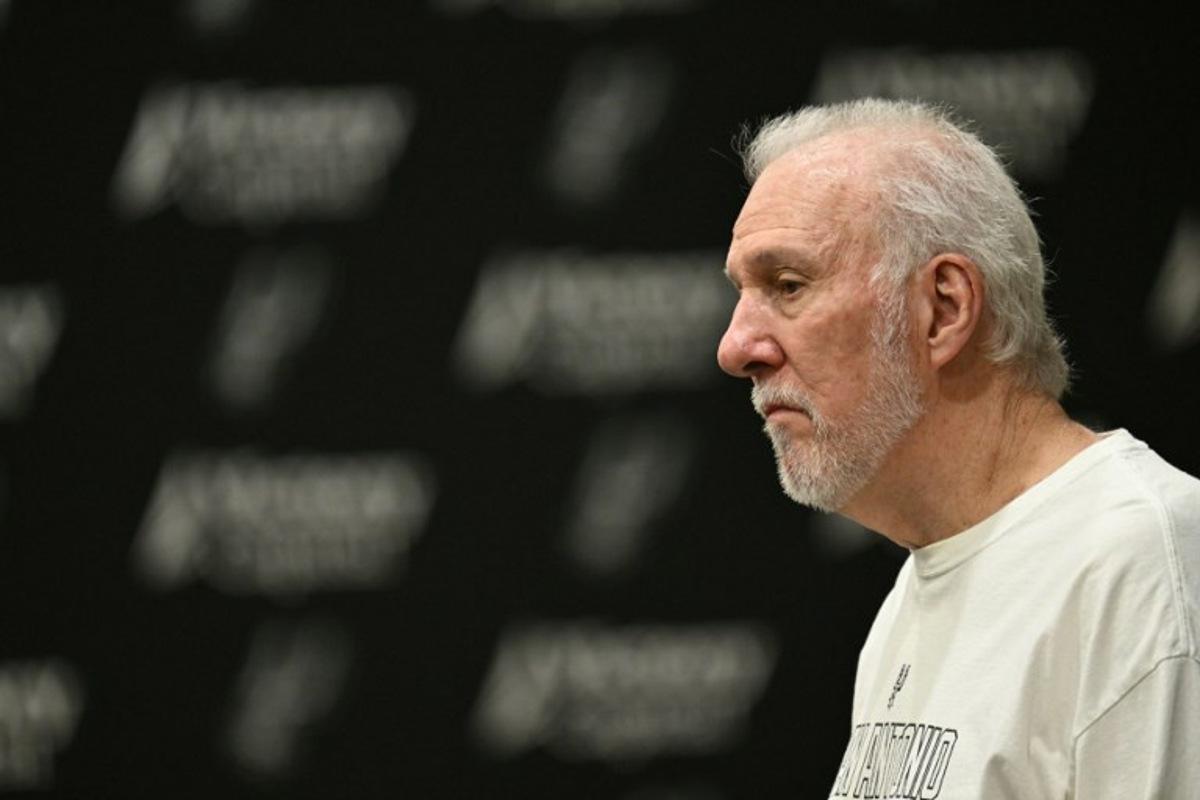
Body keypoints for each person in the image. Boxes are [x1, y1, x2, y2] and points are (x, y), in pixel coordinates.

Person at [717, 97, 1200, 797]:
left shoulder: (1147, 563)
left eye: (788, 285)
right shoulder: (921, 585)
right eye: (741, 294)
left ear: (943, 308)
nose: (735, 348)